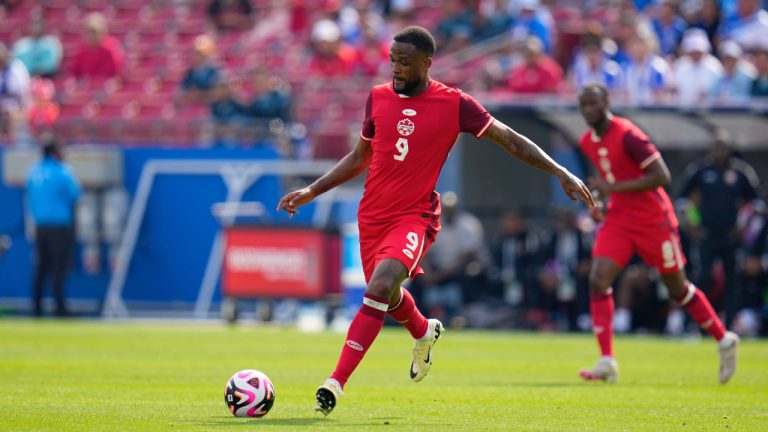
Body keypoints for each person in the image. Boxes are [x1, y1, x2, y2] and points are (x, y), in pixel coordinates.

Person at [277, 26, 595, 416]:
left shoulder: (455, 104)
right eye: (393, 60)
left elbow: (510, 139)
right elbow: (360, 156)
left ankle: (335, 383)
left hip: (415, 215)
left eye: (404, 62)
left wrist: (560, 170)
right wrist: (313, 190)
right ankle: (423, 330)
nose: (396, 68)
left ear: (426, 63)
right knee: (387, 297)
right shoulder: (378, 97)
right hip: (371, 217)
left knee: (380, 286)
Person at [575, 83, 739, 384]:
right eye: (583, 105)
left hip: (653, 221)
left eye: (593, 103)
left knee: (678, 289)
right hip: (620, 219)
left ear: (606, 102)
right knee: (598, 279)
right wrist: (600, 204)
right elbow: (606, 181)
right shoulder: (587, 141)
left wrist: (612, 188)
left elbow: (661, 176)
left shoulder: (629, 135)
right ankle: (607, 360)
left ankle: (724, 339)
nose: (588, 110)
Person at [680, 129, 760, 326]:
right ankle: (694, 324)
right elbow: (681, 202)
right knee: (702, 278)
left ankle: (730, 324)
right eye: (717, 146)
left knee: (733, 280)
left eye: (723, 147)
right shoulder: (700, 171)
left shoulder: (741, 172)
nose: (720, 151)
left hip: (731, 236)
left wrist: (743, 227)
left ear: (730, 149)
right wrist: (691, 227)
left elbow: (756, 204)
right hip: (706, 235)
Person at [26, 139, 81, 317]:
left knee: (41, 268)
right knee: (59, 267)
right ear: (55, 153)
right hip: (60, 227)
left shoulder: (34, 172)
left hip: (40, 227)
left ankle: (37, 307)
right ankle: (60, 307)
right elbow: (75, 195)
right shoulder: (62, 171)